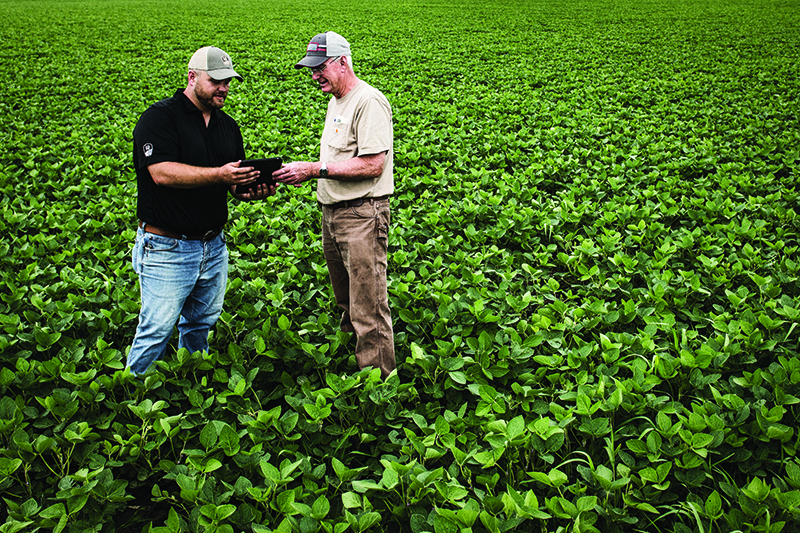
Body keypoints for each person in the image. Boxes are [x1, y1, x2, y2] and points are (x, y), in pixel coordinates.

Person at [127, 46, 275, 374]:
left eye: (228, 81)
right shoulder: (160, 118)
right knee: (156, 329)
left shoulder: (228, 127)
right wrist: (220, 174)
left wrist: (252, 188)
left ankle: (192, 382)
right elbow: (161, 172)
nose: (224, 87)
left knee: (201, 324)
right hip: (167, 245)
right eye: (216, 80)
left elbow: (232, 187)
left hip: (213, 245)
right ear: (192, 77)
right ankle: (132, 395)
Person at [272, 31, 396, 379]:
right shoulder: (336, 100)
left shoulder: (368, 101)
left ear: (343, 62)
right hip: (334, 215)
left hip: (361, 216)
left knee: (368, 308)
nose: (314, 76)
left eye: (319, 68)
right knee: (347, 301)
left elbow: (373, 164)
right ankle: (353, 370)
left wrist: (313, 170)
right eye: (310, 70)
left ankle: (380, 387)